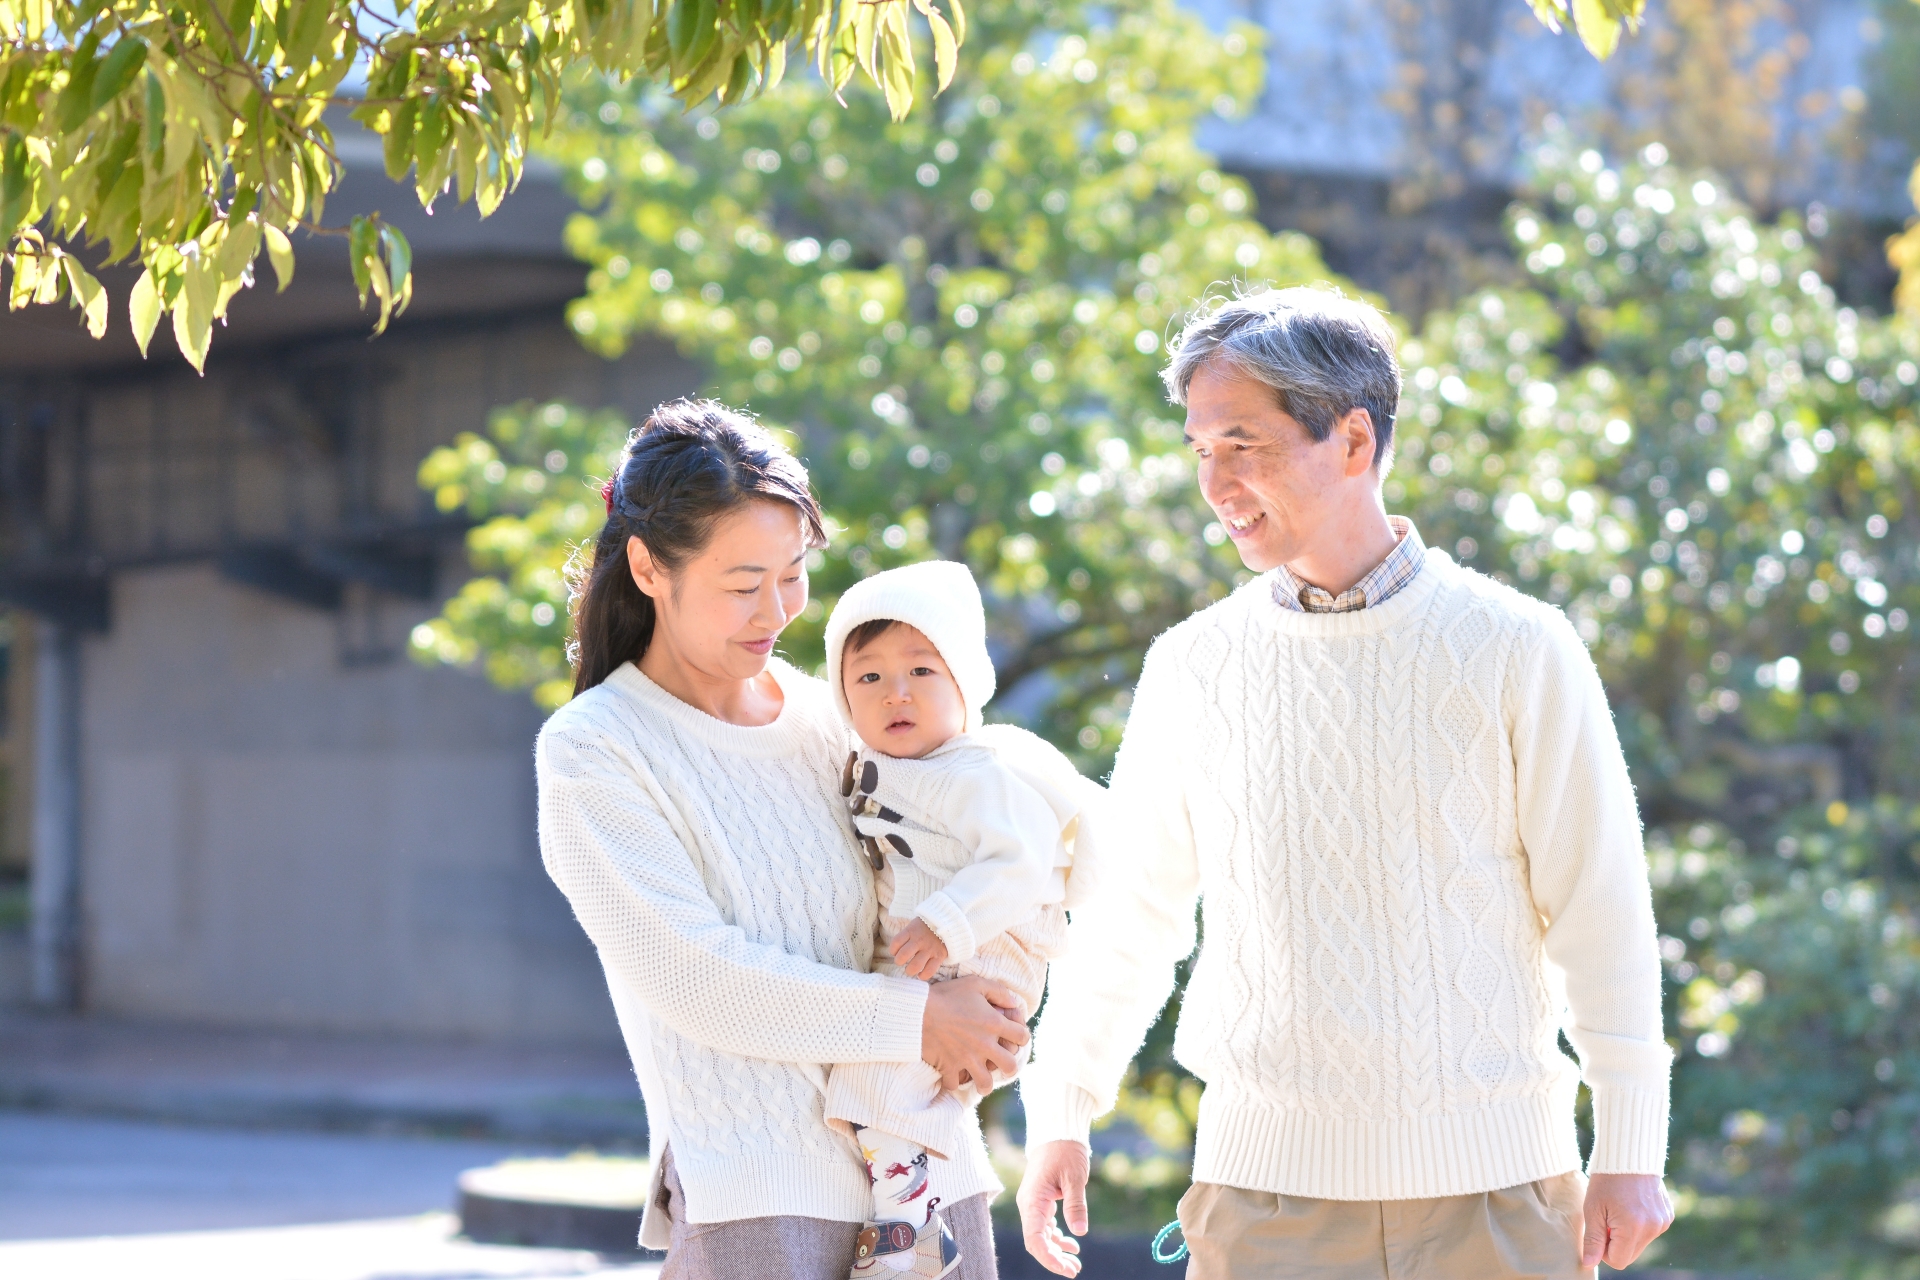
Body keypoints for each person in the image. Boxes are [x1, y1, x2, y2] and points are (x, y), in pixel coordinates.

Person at [1016, 288, 1675, 1280]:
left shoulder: (1517, 646)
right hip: (1264, 1207)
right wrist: (1063, 1102)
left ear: (1354, 440)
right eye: (1202, 449)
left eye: (1244, 443)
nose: (1218, 481)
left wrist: (1631, 1143)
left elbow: (1600, 906)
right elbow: (1131, 915)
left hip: (1500, 1200)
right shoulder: (1193, 663)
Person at [535, 399, 1028, 1280]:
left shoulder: (836, 717)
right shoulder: (595, 749)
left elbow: (951, 860)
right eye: (741, 583)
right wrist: (921, 1020)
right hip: (761, 1204)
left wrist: (989, 1004)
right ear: (648, 568)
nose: (777, 610)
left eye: (794, 573)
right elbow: (698, 979)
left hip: (925, 1183)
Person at [819, 561, 1102, 1279]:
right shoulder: (871, 765)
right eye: (870, 678)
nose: (897, 693)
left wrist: (946, 921)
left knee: (884, 1087)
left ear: (964, 687)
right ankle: (920, 1239)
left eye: (921, 670)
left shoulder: (973, 772)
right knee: (886, 1097)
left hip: (982, 960)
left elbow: (1022, 860)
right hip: (935, 967)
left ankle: (908, 1242)